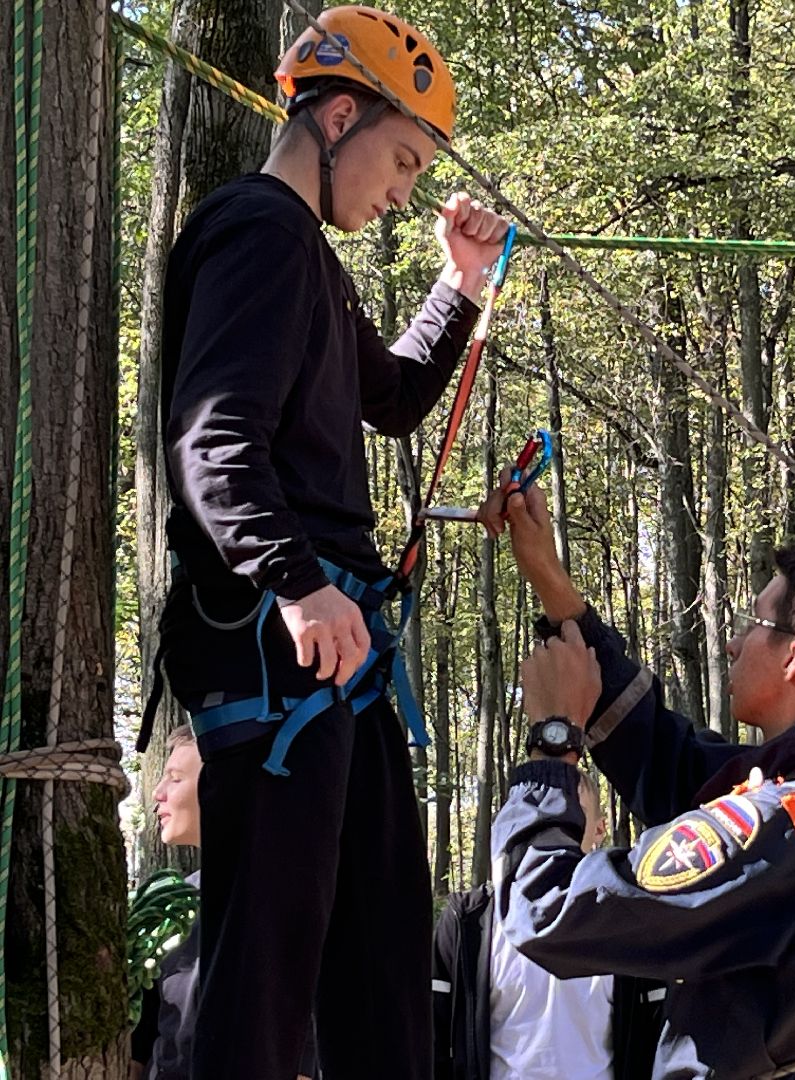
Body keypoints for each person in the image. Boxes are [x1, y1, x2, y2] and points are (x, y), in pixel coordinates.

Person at [149, 7, 509, 1077]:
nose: (402, 193)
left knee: (382, 951)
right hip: (279, 638)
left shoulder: (303, 251)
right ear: (339, 116)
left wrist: (459, 284)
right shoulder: (257, 229)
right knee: (265, 966)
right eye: (402, 161)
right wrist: (299, 584)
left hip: (327, 648)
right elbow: (214, 438)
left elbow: (390, 396)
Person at [480, 484, 795, 1078]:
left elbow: (546, 910)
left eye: (753, 622)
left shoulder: (781, 827)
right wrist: (550, 580)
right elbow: (663, 755)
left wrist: (553, 744)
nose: (734, 642)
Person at [432, 768, 662, 1080]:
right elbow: (432, 1038)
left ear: (599, 828)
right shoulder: (468, 922)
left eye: (569, 807)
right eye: (537, 808)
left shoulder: (627, 924)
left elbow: (657, 1039)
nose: (551, 818)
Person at [129, 727, 318, 1080]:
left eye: (175, 778)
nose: (158, 793)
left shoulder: (295, 901)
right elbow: (142, 1045)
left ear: (227, 785)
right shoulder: (175, 905)